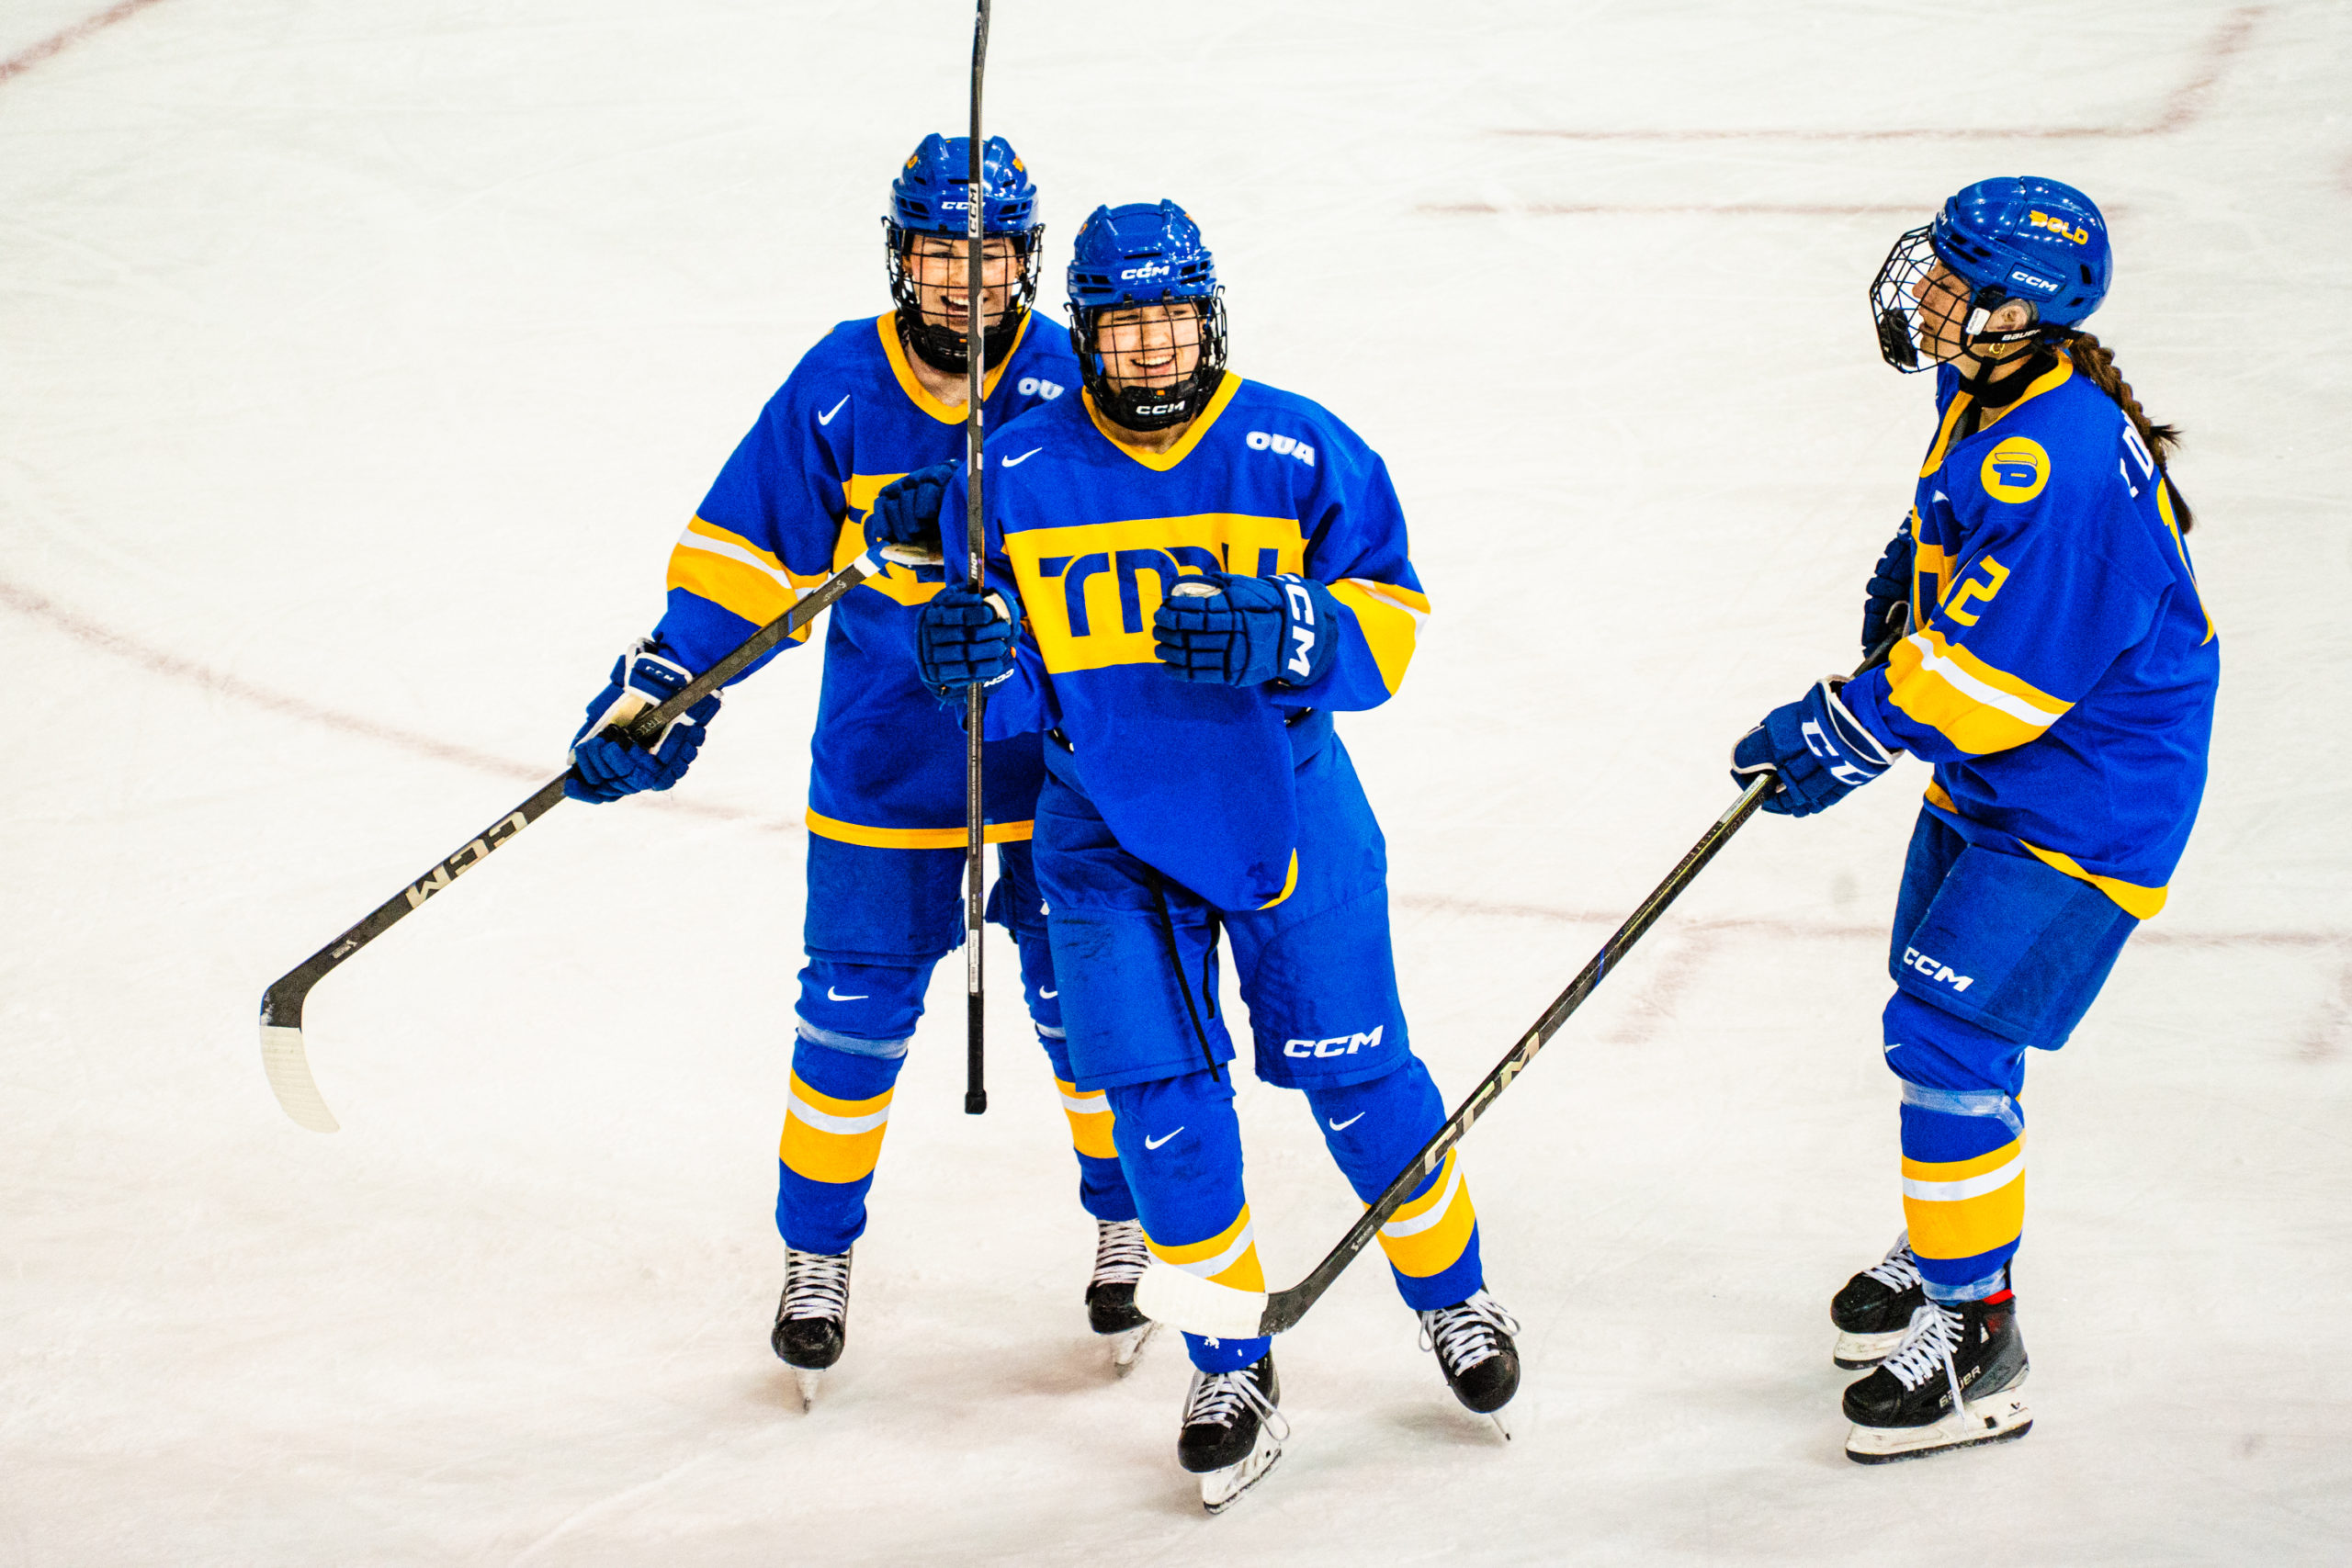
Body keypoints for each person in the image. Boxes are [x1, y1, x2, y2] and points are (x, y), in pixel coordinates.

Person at [884, 200, 1519, 1512]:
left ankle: (1454, 1296)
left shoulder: (1297, 447)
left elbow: (1390, 627)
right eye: (1124, 325)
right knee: (1163, 1112)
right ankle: (1231, 1358)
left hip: (1285, 805)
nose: (1153, 348)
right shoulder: (1014, 464)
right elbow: (964, 633)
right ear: (1089, 332)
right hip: (1099, 826)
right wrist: (961, 655)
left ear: (1209, 317)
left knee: (1363, 1080)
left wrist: (1297, 631)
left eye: (1172, 319)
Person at [560, 133, 1149, 1405]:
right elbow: (744, 557)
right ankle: (815, 1256)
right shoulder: (837, 385)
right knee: (850, 1015)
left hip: (1060, 763)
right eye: (942, 254)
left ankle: (1126, 1225)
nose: (967, 284)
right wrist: (668, 685)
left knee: (1094, 1009)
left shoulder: (1075, 376)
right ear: (902, 255)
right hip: (890, 757)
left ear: (1030, 263)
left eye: (992, 256)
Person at [1729, 175, 2218, 1462]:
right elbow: (1959, 544)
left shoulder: (2052, 466)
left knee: (1941, 1035)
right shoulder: (1990, 391)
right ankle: (1960, 1226)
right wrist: (1914, 564)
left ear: (2022, 312)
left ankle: (1978, 1327)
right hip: (2010, 777)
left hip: (2088, 801)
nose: (1927, 294)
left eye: (1955, 280)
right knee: (1938, 1007)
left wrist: (1842, 728)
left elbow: (1990, 684)